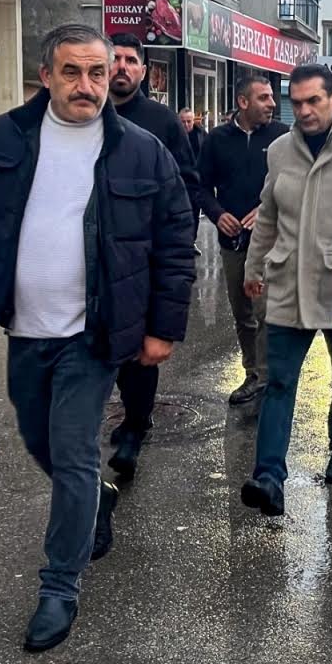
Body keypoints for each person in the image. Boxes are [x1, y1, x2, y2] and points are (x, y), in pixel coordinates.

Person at [0, 24, 195, 653]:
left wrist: (163, 328)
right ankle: (95, 500)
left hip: (94, 333)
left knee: (71, 452)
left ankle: (59, 586)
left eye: (97, 73)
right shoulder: (3, 137)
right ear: (46, 76)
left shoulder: (142, 151)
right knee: (41, 442)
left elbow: (175, 243)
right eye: (72, 72)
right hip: (26, 328)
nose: (86, 85)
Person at [238, 64, 332, 516]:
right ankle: (269, 476)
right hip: (288, 283)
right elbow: (268, 215)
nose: (304, 110)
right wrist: (254, 266)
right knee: (278, 381)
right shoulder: (279, 150)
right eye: (296, 103)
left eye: (314, 100)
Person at [107, 32, 201, 479]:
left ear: (143, 71)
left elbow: (186, 188)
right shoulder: (83, 115)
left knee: (138, 352)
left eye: (131, 60)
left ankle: (135, 426)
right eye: (115, 59)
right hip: (94, 257)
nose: (122, 67)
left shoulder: (161, 122)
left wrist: (177, 250)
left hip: (141, 259)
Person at [197, 77, 290, 406]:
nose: (272, 104)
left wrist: (265, 209)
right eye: (264, 97)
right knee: (243, 312)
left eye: (272, 97)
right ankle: (252, 372)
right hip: (233, 241)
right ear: (242, 102)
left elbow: (294, 183)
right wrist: (217, 213)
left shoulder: (282, 137)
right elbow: (199, 186)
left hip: (272, 241)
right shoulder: (217, 140)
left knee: (267, 311)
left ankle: (267, 378)